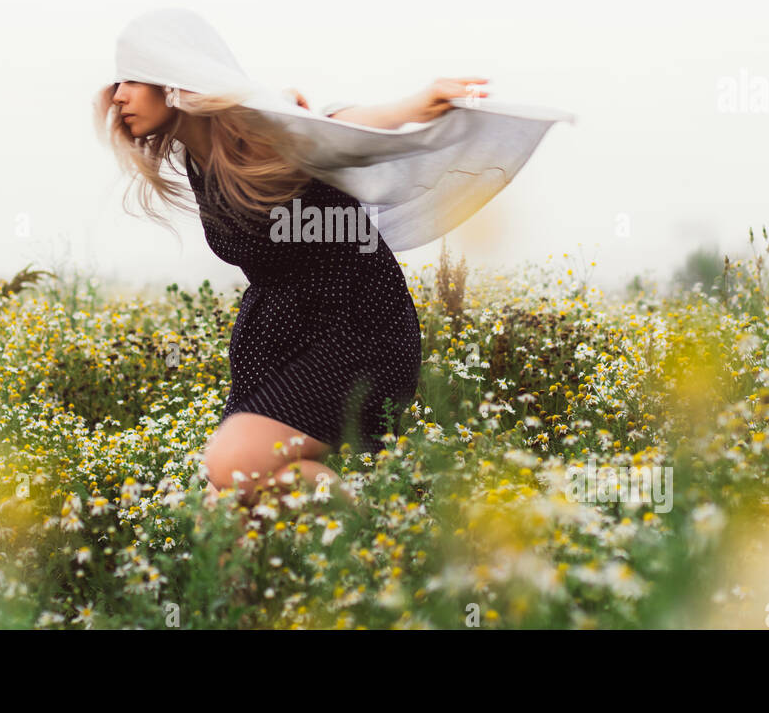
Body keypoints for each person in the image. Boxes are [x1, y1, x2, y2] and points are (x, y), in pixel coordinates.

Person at [93, 68, 490, 510]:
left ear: (172, 76)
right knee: (221, 507)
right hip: (276, 339)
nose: (117, 96)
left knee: (233, 465)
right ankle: (350, 552)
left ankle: (369, 532)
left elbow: (340, 126)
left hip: (354, 330)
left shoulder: (262, 131)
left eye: (130, 80)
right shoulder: (198, 158)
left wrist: (417, 104)